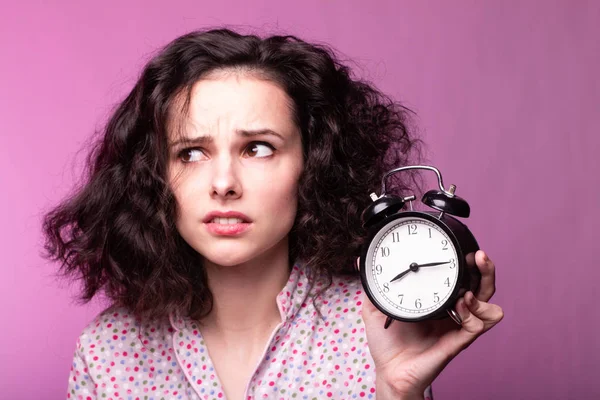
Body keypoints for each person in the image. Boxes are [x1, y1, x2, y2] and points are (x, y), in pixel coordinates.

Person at [42, 28, 503, 400]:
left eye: (257, 148)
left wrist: (398, 392)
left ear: (314, 164)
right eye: (191, 153)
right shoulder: (110, 351)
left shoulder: (374, 330)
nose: (223, 183)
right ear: (154, 174)